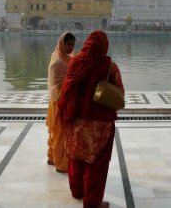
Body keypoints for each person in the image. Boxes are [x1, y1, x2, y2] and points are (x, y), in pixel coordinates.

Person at [57, 31, 124, 208]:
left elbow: (67, 89)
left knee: (76, 157)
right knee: (96, 164)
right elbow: (120, 93)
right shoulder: (109, 65)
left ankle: (77, 191)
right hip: (99, 125)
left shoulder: (76, 62)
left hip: (76, 120)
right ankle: (92, 202)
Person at [46, 32, 76, 172]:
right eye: (68, 45)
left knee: (58, 132)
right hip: (59, 101)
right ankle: (61, 163)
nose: (71, 48)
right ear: (62, 44)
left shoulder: (66, 57)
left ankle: (52, 156)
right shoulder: (58, 61)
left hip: (62, 99)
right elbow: (57, 84)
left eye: (72, 45)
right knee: (61, 132)